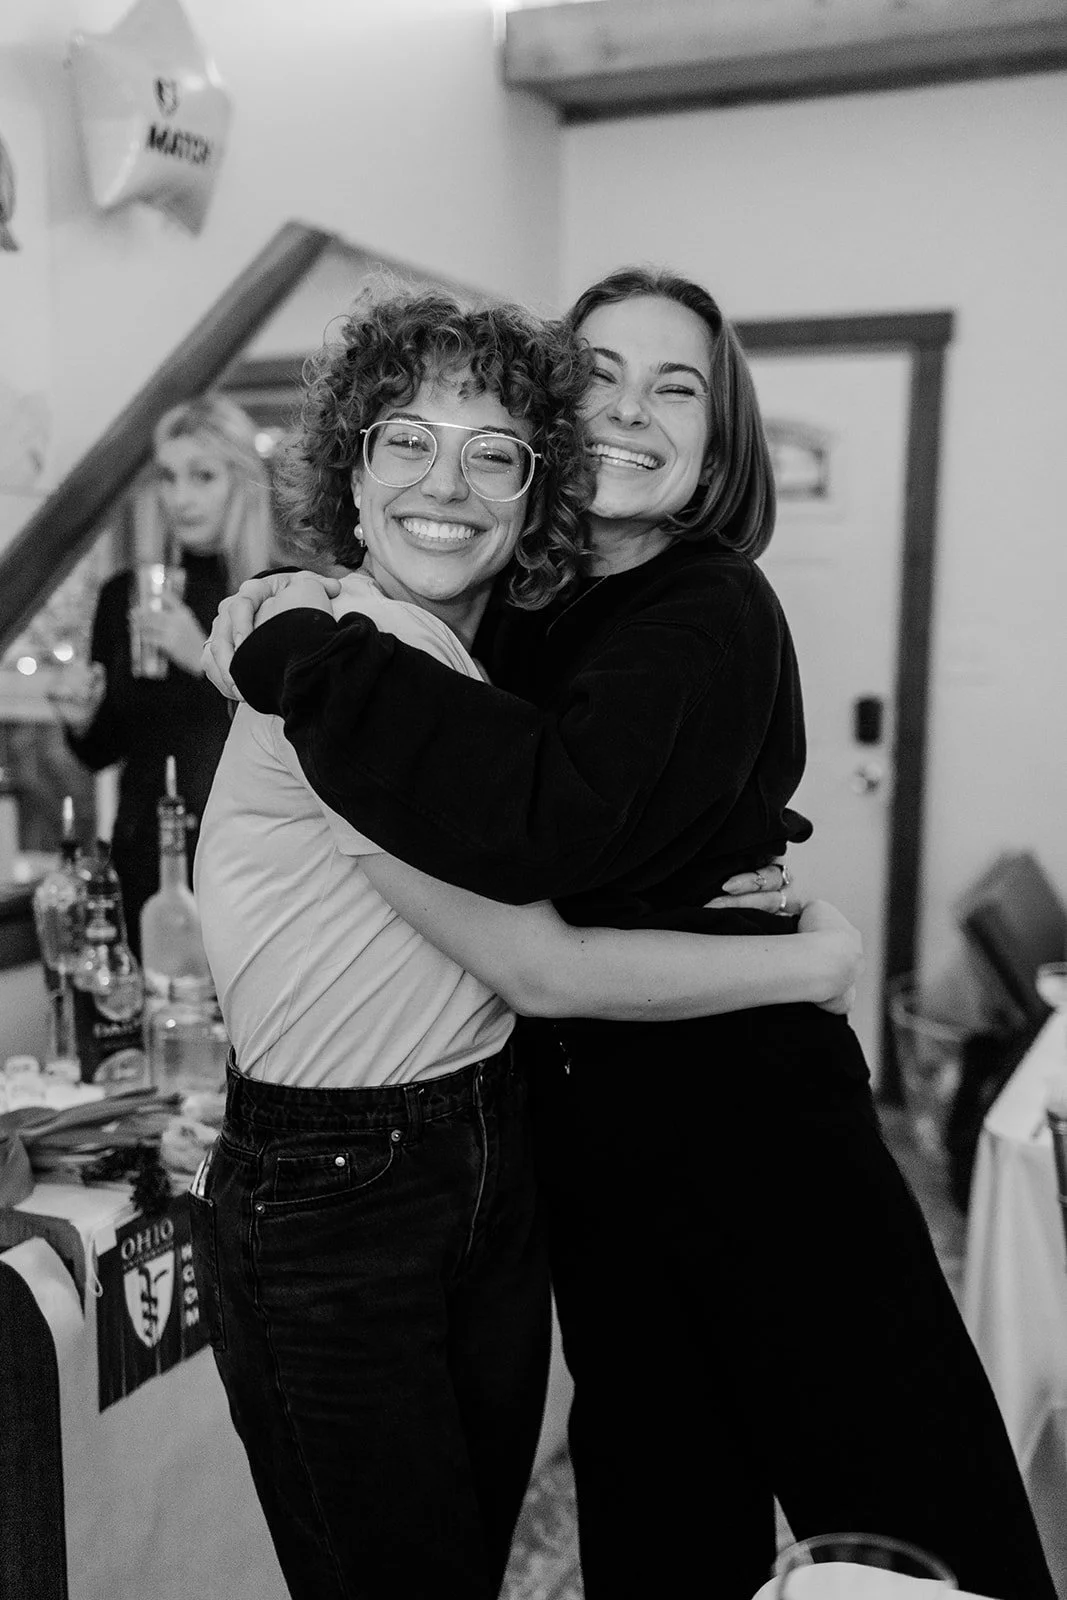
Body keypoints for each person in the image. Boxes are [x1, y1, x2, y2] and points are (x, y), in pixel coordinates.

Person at [205, 267, 1057, 1600]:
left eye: (678, 388)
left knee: (910, 1527)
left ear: (719, 443)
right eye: (596, 374)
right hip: (585, 1152)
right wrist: (283, 603)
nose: (630, 411)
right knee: (662, 1519)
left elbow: (545, 823)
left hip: (746, 1130)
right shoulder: (525, 619)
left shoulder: (705, 606)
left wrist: (297, 640)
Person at [49, 393, 278, 952]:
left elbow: (287, 732)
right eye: (169, 478)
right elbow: (106, 749)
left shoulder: (274, 596)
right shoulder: (125, 597)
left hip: (248, 860)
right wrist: (83, 720)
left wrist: (199, 653)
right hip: (142, 855)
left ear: (241, 480)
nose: (181, 497)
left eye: (202, 476)